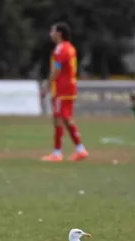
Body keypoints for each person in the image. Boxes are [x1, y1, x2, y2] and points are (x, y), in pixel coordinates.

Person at [40, 22, 88, 162]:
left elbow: (57, 69)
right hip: (69, 87)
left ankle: (57, 153)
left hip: (62, 88)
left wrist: (47, 84)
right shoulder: (70, 48)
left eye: (52, 31)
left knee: (58, 119)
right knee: (66, 119)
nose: (51, 34)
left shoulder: (60, 49)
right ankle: (80, 149)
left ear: (59, 33)